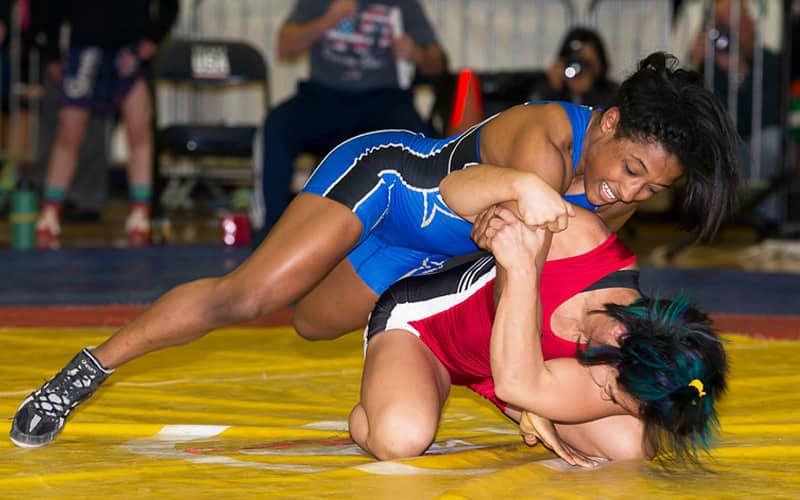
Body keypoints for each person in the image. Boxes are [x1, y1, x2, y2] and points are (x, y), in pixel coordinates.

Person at [9, 52, 740, 448]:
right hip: (394, 189)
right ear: (606, 122)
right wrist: (522, 399)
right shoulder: (545, 139)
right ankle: (85, 371)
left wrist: (533, 397)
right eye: (630, 169)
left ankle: (384, 338)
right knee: (252, 296)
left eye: (651, 189)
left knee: (310, 323)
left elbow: (518, 284)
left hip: (432, 260)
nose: (626, 193)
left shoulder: (609, 199)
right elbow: (473, 209)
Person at [351, 205, 728, 466]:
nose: (604, 396)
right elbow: (503, 203)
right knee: (400, 439)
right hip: (425, 332)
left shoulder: (626, 357)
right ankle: (381, 400)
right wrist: (521, 269)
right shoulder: (579, 239)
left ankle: (531, 395)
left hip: (502, 371)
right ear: (618, 335)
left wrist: (537, 400)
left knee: (633, 446)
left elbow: (516, 383)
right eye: (612, 392)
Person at [253, 0, 447, 240]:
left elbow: (438, 64)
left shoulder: (402, 4)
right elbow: (285, 46)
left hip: (384, 100)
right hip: (323, 97)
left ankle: (424, 234)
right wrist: (327, 21)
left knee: (420, 141)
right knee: (277, 126)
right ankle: (272, 234)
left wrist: (416, 53)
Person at [33, 0, 179, 249]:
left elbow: (169, 5)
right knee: (69, 133)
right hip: (86, 46)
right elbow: (49, 8)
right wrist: (52, 51)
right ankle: (50, 211)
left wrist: (154, 37)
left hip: (129, 50)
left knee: (139, 130)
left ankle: (140, 213)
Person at [674, 0, 784, 234]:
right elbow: (682, 111)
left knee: (772, 141)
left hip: (751, 152)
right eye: (722, 26)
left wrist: (740, 74)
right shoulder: (706, 66)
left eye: (736, 24)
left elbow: (772, 119)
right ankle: (705, 220)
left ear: (752, 26)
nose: (729, 34)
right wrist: (693, 64)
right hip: (717, 150)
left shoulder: (772, 63)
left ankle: (768, 224)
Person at [527, 26, 619, 108]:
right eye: (574, 61)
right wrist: (552, 89)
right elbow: (534, 114)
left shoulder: (613, 93)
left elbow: (606, 116)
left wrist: (590, 92)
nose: (578, 68)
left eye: (587, 63)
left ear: (600, 63)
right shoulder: (546, 87)